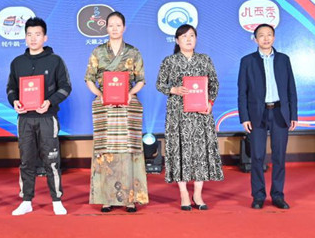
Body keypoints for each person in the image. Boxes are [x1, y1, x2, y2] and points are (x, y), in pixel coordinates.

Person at [6, 17, 72, 216]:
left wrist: (49, 102)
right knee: (26, 160)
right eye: (29, 35)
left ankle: (57, 199)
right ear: (25, 37)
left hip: (47, 118)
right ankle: (26, 200)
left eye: (37, 34)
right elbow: (11, 88)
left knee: (51, 160)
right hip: (25, 119)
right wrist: (14, 101)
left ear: (45, 37)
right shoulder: (17, 63)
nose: (33, 38)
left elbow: (65, 87)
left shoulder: (55, 61)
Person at [85, 11, 148, 212]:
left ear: (124, 28)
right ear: (106, 28)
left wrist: (130, 94)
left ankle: (130, 198)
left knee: (127, 151)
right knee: (106, 151)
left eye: (118, 25)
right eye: (111, 25)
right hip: (106, 107)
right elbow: (89, 78)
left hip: (127, 106)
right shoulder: (98, 52)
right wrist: (100, 95)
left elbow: (141, 80)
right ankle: (107, 198)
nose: (114, 28)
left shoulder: (133, 52)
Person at [156, 24, 224, 210]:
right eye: (184, 36)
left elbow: (214, 84)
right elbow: (159, 84)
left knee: (200, 152)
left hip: (200, 114)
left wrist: (210, 103)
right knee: (180, 151)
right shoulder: (169, 61)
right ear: (177, 41)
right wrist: (174, 89)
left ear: (196, 39)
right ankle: (184, 193)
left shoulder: (204, 59)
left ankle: (198, 194)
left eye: (192, 36)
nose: (188, 39)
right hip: (178, 114)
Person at [237, 23, 298, 210]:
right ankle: (258, 196)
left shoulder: (283, 59)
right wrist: (244, 117)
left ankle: (278, 195)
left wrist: (293, 114)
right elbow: (242, 92)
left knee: (279, 157)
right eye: (261, 35)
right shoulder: (247, 61)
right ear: (255, 39)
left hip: (280, 112)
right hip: (257, 114)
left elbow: (291, 89)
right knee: (257, 156)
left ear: (274, 37)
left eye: (269, 34)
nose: (266, 38)